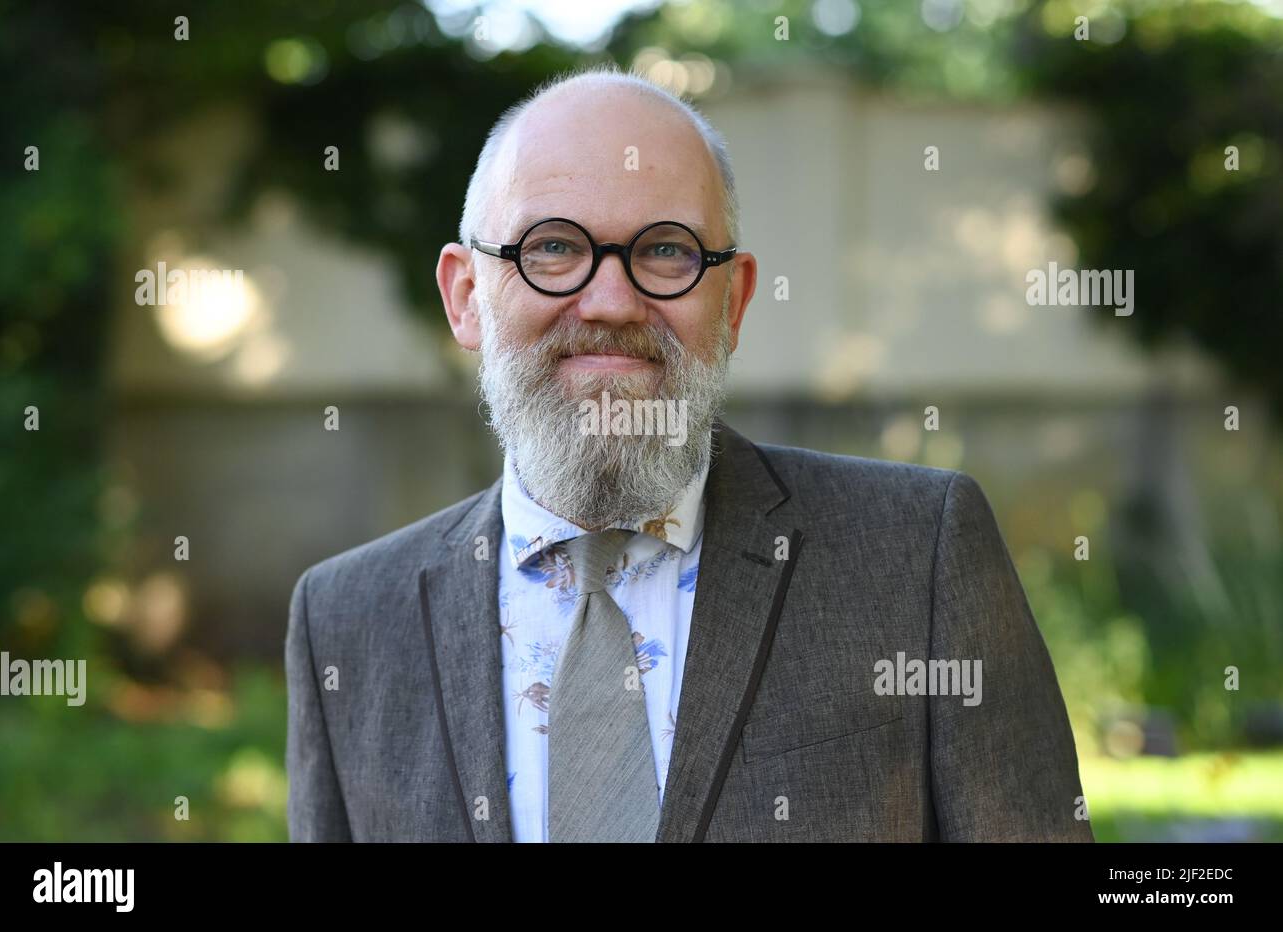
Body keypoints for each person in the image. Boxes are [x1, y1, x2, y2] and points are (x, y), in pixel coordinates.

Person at [285, 63, 1092, 842]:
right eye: (553, 247)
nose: (609, 302)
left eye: (665, 250)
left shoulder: (917, 557)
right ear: (466, 297)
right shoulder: (346, 624)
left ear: (733, 300)